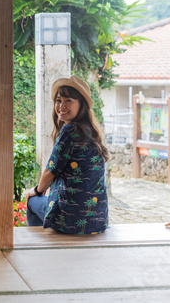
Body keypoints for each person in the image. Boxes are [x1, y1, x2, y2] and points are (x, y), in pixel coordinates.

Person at [26, 75, 109, 234]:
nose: (61, 105)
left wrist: (36, 190)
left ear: (81, 106)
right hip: (97, 221)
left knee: (32, 201)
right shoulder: (91, 132)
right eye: (58, 100)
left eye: (68, 100)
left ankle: (38, 248)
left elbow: (50, 171)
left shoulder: (70, 130)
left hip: (70, 221)